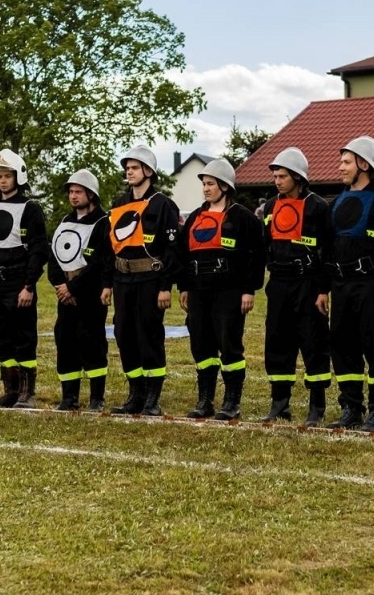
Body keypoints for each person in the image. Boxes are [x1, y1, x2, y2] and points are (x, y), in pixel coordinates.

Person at [327, 136, 374, 432]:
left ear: (364, 164)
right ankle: (350, 407)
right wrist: (326, 288)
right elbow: (327, 246)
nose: (341, 167)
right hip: (341, 286)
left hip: (371, 286)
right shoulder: (337, 202)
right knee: (343, 346)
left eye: (346, 162)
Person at [176, 158, 264, 421]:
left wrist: (249, 290)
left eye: (211, 184)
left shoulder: (243, 218)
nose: (206, 188)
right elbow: (183, 253)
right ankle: (205, 401)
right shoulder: (194, 217)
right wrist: (184, 287)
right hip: (199, 291)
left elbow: (256, 256)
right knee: (201, 345)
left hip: (229, 291)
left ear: (225, 186)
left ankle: (231, 402)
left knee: (229, 345)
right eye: (204, 184)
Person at [258, 147, 333, 426]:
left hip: (308, 282)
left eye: (283, 176)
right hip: (278, 283)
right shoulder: (269, 206)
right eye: (275, 176)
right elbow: (265, 242)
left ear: (298, 177)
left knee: (313, 342)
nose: (277, 181)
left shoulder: (318, 207)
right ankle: (280, 403)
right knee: (277, 340)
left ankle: (317, 406)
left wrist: (324, 289)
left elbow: (328, 250)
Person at [107, 144, 181, 416]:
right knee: (124, 334)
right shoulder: (118, 204)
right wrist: (108, 282)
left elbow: (172, 249)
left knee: (148, 334)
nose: (129, 171)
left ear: (148, 171)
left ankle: (152, 397)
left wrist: (165, 287)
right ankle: (135, 393)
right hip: (123, 279)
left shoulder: (163, 204)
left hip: (151, 278)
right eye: (127, 167)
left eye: (134, 167)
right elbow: (111, 245)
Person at [0, 149, 49, 408]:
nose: (2, 181)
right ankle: (10, 390)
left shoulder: (30, 209)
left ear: (18, 177)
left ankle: (27, 393)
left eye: (7, 175)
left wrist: (29, 285)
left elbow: (39, 251)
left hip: (19, 281)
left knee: (23, 336)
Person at [47, 169, 113, 412]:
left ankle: (97, 398)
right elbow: (53, 256)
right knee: (65, 341)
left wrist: (73, 288)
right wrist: (59, 285)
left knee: (92, 342)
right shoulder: (65, 222)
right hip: (65, 296)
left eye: (78, 192)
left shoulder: (102, 223)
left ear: (91, 195)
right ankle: (69, 398)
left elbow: (98, 262)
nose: (73, 197)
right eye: (71, 192)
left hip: (89, 296)